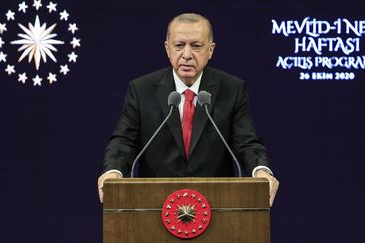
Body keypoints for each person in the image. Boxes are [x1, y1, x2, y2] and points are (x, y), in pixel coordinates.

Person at [97, 13, 279, 206]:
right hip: (155, 204)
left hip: (216, 205)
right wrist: (113, 172)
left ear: (211, 50)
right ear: (167, 49)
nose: (186, 54)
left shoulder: (232, 89)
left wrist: (261, 171)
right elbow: (124, 141)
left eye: (196, 46)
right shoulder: (142, 90)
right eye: (179, 45)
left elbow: (246, 142)